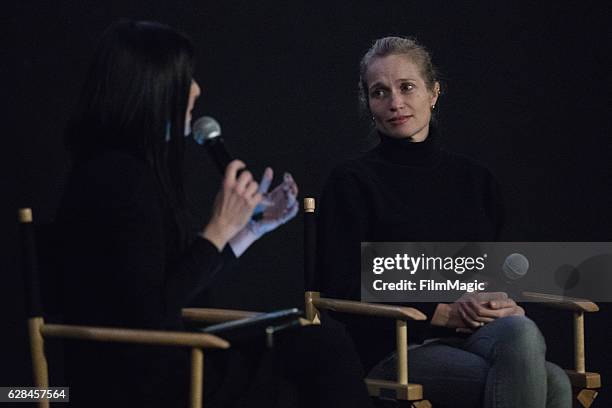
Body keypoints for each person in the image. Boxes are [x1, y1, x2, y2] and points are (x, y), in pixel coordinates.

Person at [55, 20, 372, 408]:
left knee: (316, 344)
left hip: (157, 361)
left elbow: (176, 285)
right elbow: (152, 314)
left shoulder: (118, 169)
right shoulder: (120, 180)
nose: (196, 90)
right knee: (321, 350)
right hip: (139, 379)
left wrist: (249, 228)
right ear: (152, 88)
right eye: (185, 78)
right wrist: (218, 229)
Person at [317, 36, 572, 408]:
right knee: (551, 383)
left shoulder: (475, 179)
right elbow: (338, 284)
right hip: (398, 347)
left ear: (434, 93)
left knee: (524, 334)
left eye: (407, 87)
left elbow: (496, 268)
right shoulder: (353, 181)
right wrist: (441, 310)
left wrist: (505, 302)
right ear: (368, 103)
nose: (395, 103)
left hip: (475, 335)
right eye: (379, 92)